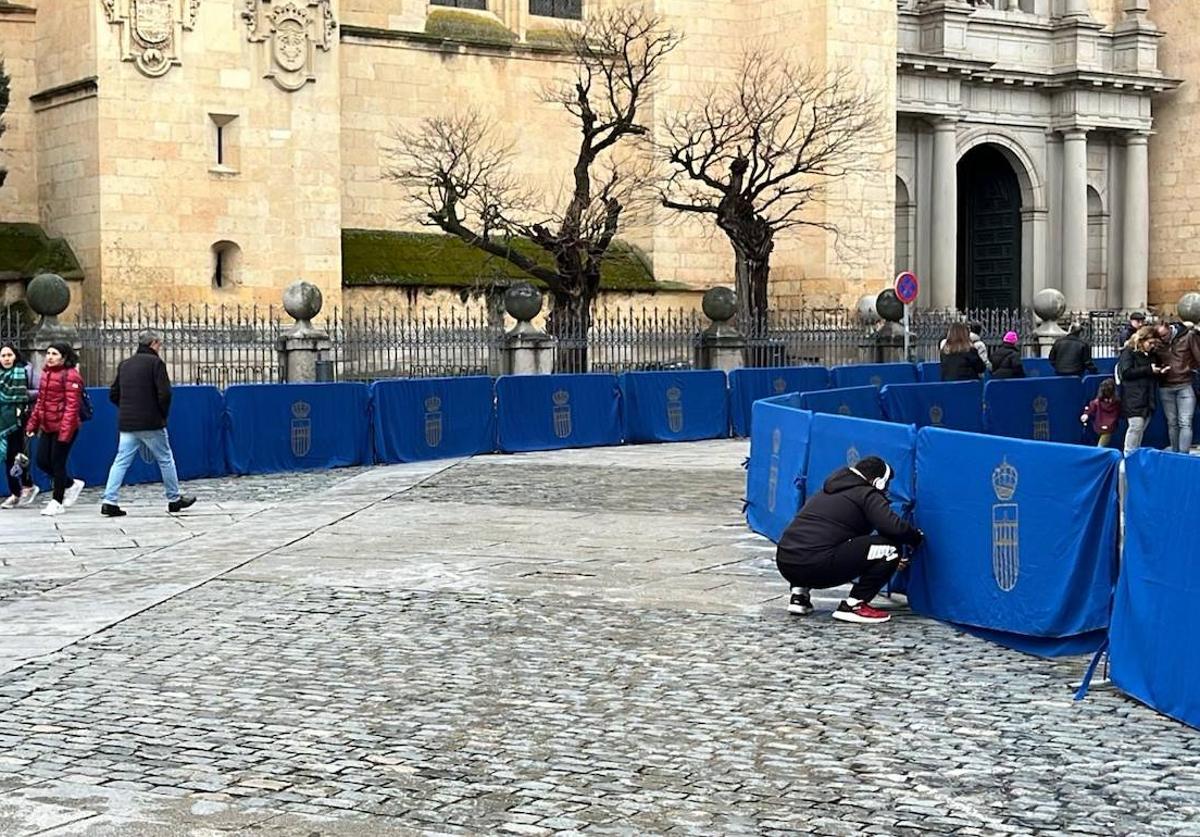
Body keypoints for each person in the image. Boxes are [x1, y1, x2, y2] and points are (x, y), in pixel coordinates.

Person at [776, 456, 924, 625]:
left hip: (786, 561)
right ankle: (854, 605)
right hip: (817, 564)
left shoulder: (826, 491)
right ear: (878, 482)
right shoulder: (867, 493)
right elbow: (893, 528)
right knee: (890, 549)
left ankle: (799, 595)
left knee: (812, 544)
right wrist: (916, 538)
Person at [101, 331, 196, 516]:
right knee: (165, 458)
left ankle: (109, 500)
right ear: (154, 343)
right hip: (151, 422)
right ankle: (174, 498)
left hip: (128, 422)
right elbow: (165, 393)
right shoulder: (156, 364)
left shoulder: (125, 364)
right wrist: (162, 414)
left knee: (120, 461)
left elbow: (113, 394)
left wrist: (127, 408)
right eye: (159, 344)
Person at [24, 343, 85, 516]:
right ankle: (71, 484)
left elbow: (72, 407)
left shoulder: (72, 376)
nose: (49, 356)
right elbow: (40, 404)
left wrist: (65, 432)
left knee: (58, 462)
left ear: (64, 357)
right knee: (42, 461)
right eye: (48, 353)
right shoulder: (47, 374)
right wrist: (32, 425)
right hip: (48, 425)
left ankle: (57, 501)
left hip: (66, 426)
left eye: (54, 354)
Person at [1117, 327, 1167, 456]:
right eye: (1150, 343)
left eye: (1154, 343)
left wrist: (1160, 372)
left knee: (1140, 430)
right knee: (1135, 427)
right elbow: (1126, 372)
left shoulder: (1152, 355)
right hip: (1133, 396)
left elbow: (1153, 371)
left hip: (1148, 397)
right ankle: (1128, 456)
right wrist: (1148, 370)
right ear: (1141, 340)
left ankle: (1134, 455)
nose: (1152, 346)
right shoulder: (1128, 352)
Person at [0, 343, 38, 509]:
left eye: (9, 355)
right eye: (3, 356)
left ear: (15, 356)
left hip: (17, 419)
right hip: (2, 419)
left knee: (14, 456)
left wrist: (23, 396)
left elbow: (39, 390)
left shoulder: (25, 371)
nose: (7, 359)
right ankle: (24, 487)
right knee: (10, 456)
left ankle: (18, 491)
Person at [1153, 321, 1200, 453]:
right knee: (1172, 422)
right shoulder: (1157, 343)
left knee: (1185, 422)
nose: (1163, 339)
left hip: (1185, 383)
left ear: (1170, 328)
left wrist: (1190, 369)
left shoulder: (1188, 336)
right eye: (1160, 337)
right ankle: (1175, 452)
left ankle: (1183, 455)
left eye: (1165, 335)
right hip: (1166, 385)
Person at [1081, 378, 1121, 448]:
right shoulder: (1097, 403)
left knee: (1100, 446)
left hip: (1105, 429)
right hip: (1104, 429)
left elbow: (1089, 410)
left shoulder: (1096, 402)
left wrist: (1086, 414)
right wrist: (1086, 414)